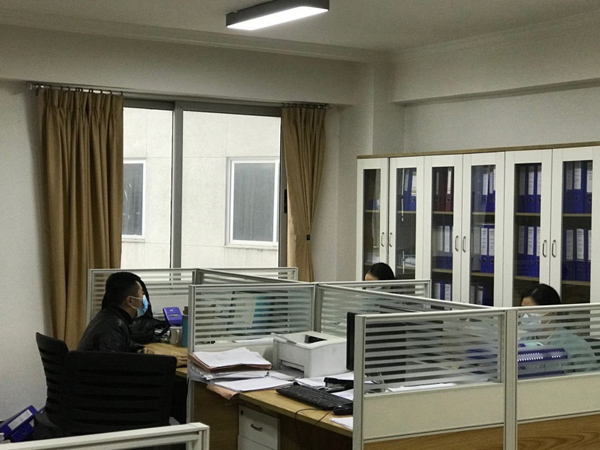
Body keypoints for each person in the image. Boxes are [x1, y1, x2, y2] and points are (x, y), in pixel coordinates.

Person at [520, 284, 597, 373]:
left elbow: (591, 379)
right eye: (524, 311)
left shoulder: (575, 345)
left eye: (532, 311)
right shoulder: (524, 340)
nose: (526, 316)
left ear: (552, 310)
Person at [77, 271, 154, 353]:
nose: (144, 298)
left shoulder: (108, 316)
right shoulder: (113, 326)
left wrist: (139, 349)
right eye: (142, 294)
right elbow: (113, 359)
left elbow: (125, 343)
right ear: (130, 301)